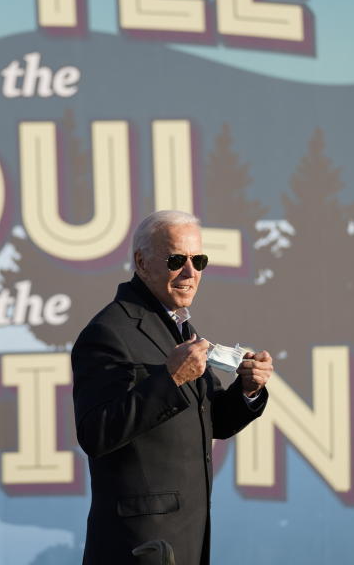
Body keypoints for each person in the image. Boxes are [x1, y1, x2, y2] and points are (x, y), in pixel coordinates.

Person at [71, 210, 273, 565]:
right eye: (177, 259)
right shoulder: (108, 332)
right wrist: (171, 379)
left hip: (187, 538)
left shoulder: (179, 328)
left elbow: (215, 421)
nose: (190, 272)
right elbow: (95, 433)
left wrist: (247, 390)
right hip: (139, 546)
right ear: (142, 262)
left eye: (200, 261)